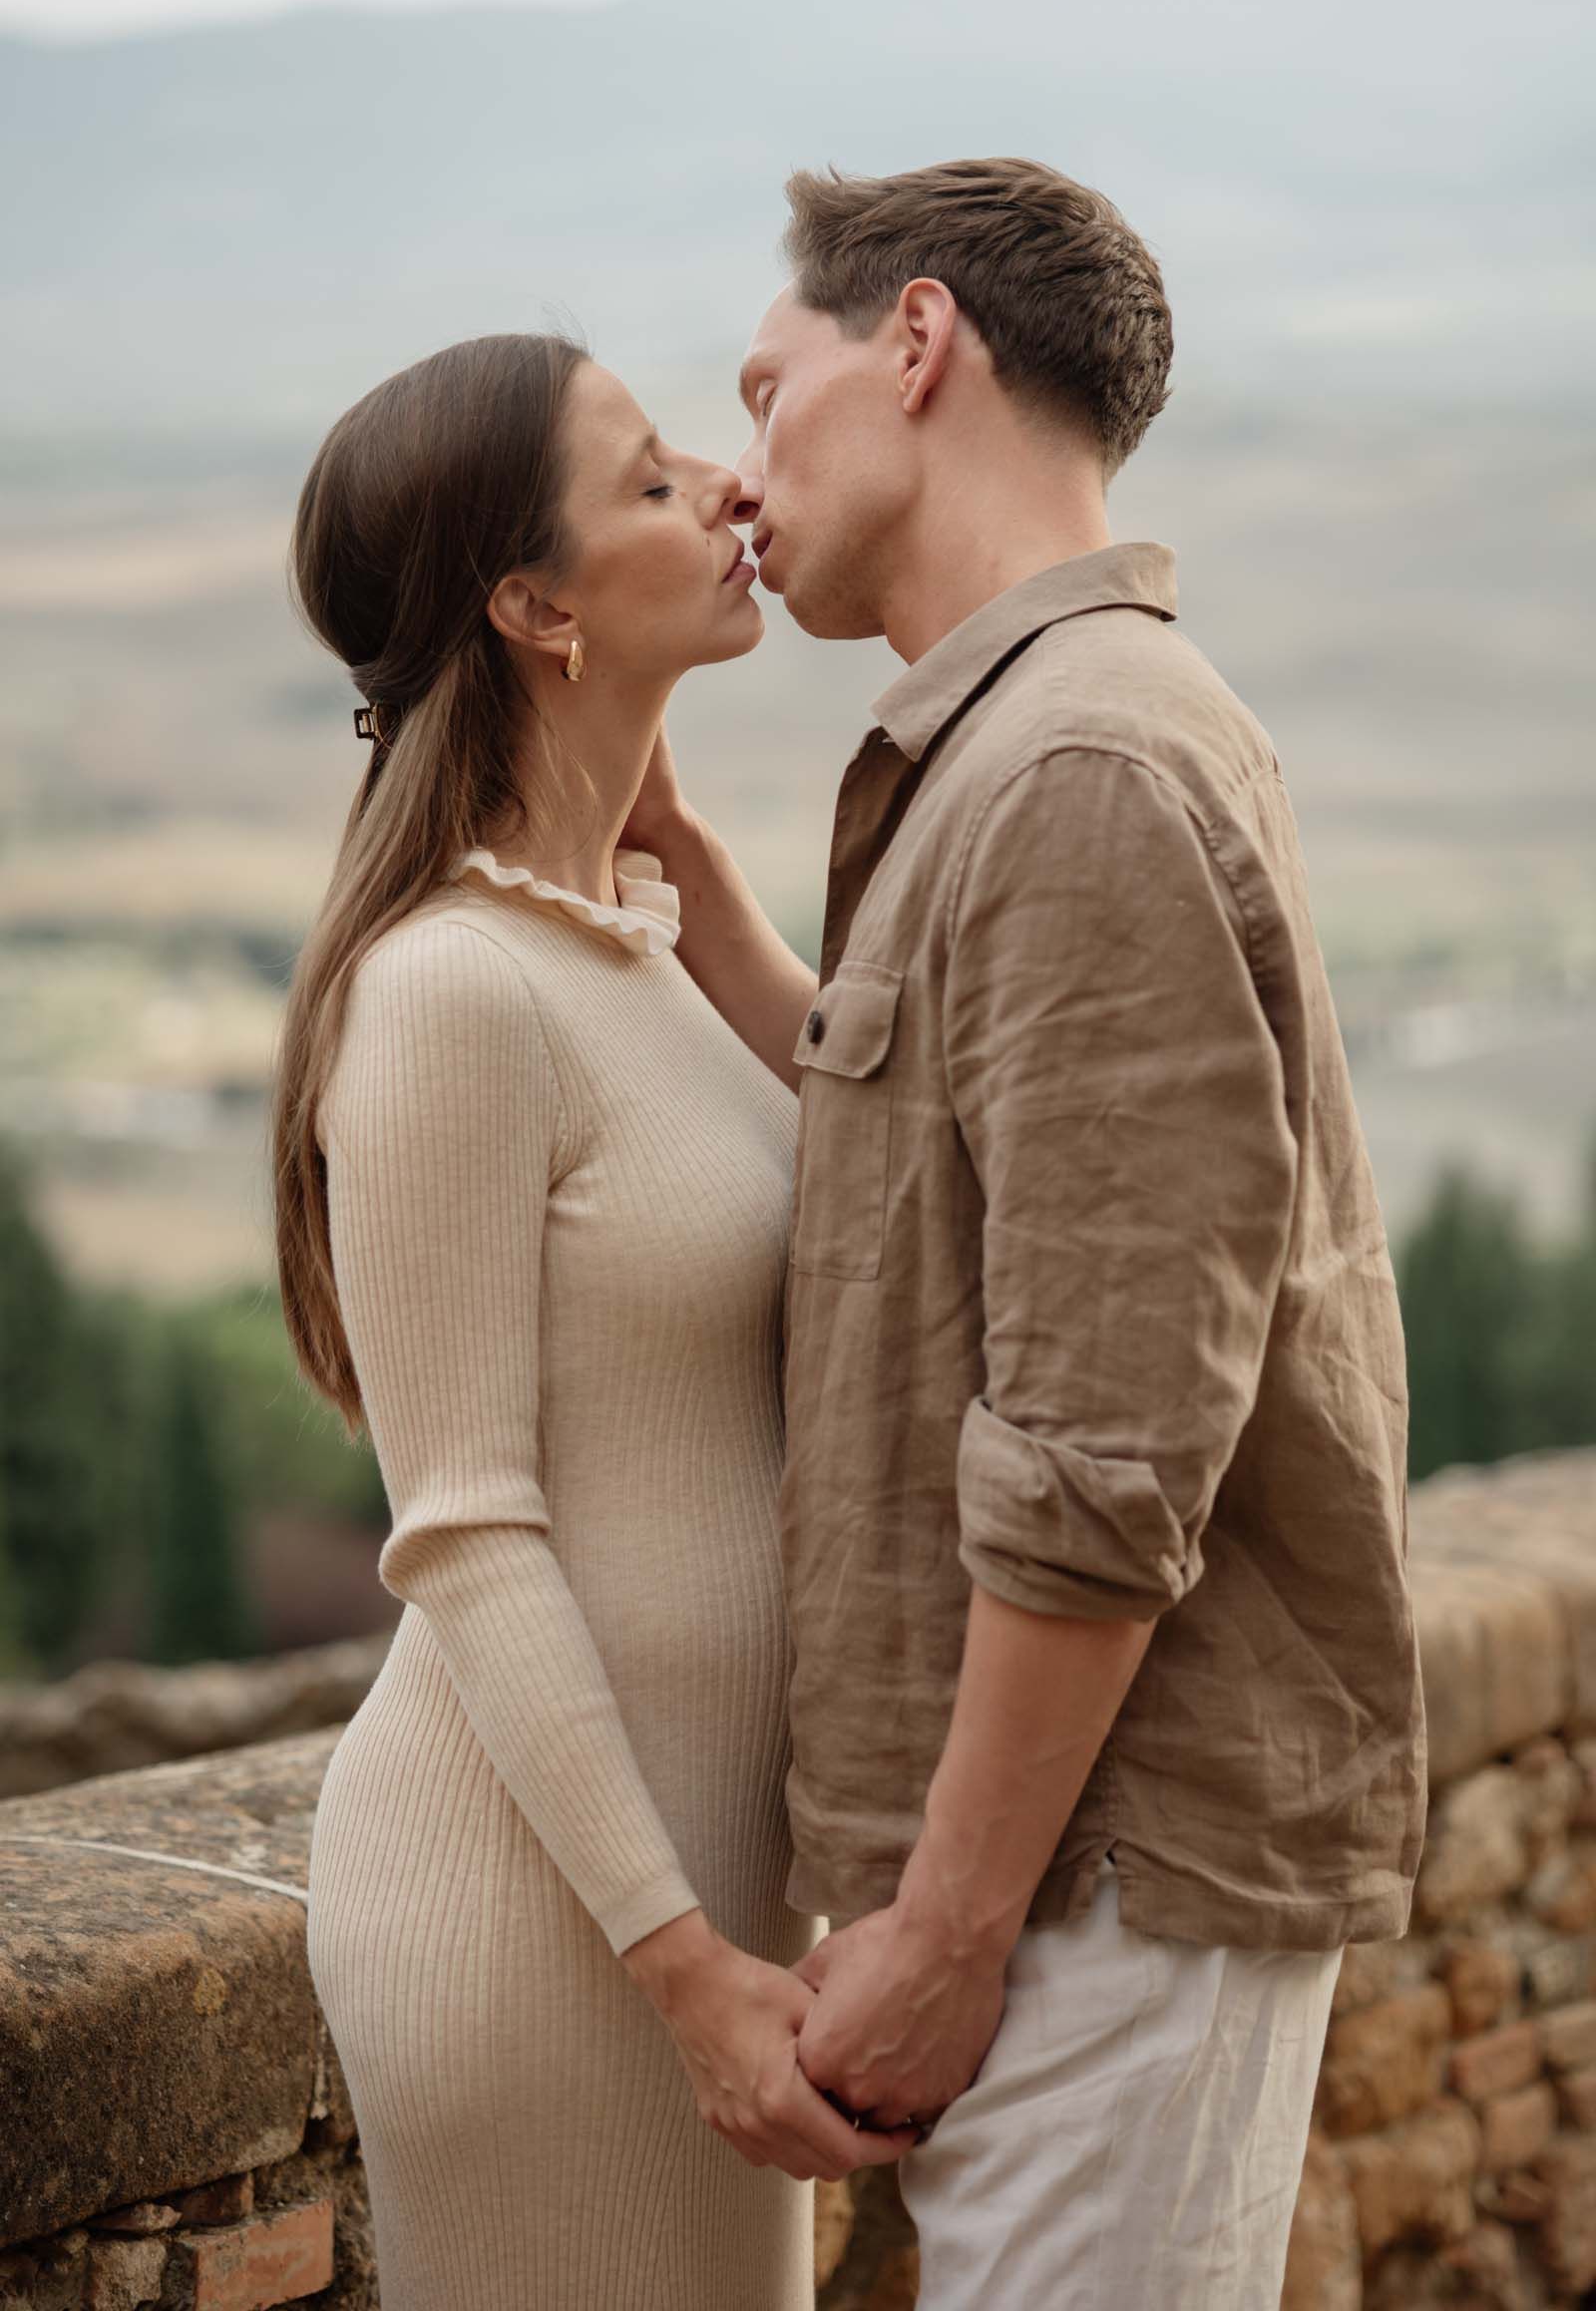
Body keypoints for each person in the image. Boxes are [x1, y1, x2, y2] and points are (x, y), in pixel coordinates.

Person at [622, 157, 1429, 2308]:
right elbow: (954, 1194)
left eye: (761, 385)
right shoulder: (1027, 745)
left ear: (913, 341)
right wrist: (702, 901)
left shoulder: (1076, 769)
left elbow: (1100, 1447)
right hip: (1066, 1881)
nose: (735, 468)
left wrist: (948, 1932)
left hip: (1096, 1891)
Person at [271, 332, 915, 2311]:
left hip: (705, 1902)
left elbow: (902, 1190)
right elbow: (462, 1528)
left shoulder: (631, 954)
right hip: (543, 1925)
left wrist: (706, 901)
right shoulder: (453, 995)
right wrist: (680, 1966)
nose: (730, 487)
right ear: (535, 605)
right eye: (650, 481)